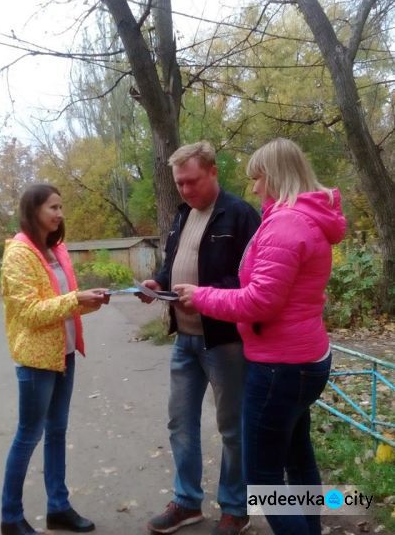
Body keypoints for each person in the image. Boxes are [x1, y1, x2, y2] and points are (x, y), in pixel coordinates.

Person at [174, 138, 347, 535]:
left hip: (279, 368)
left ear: (276, 176)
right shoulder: (305, 219)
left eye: (258, 178)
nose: (254, 188)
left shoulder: (286, 224)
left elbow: (259, 303)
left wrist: (201, 296)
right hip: (304, 360)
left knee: (263, 480)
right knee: (298, 458)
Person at [141, 142, 261, 535]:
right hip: (185, 341)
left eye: (192, 181)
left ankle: (235, 507)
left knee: (232, 427)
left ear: (212, 171)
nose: (187, 190)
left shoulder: (240, 214)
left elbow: (252, 281)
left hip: (225, 341)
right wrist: (157, 282)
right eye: (179, 184)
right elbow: (171, 263)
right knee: (180, 423)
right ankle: (187, 502)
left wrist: (204, 297)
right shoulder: (182, 215)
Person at [0, 183, 109, 535]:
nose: (60, 214)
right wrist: (76, 298)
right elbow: (30, 312)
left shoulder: (55, 249)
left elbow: (63, 304)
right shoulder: (18, 253)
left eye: (61, 207)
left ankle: (58, 507)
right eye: (53, 207)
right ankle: (11, 517)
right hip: (35, 361)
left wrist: (88, 302)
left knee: (57, 432)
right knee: (29, 435)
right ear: (33, 210)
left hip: (64, 354)